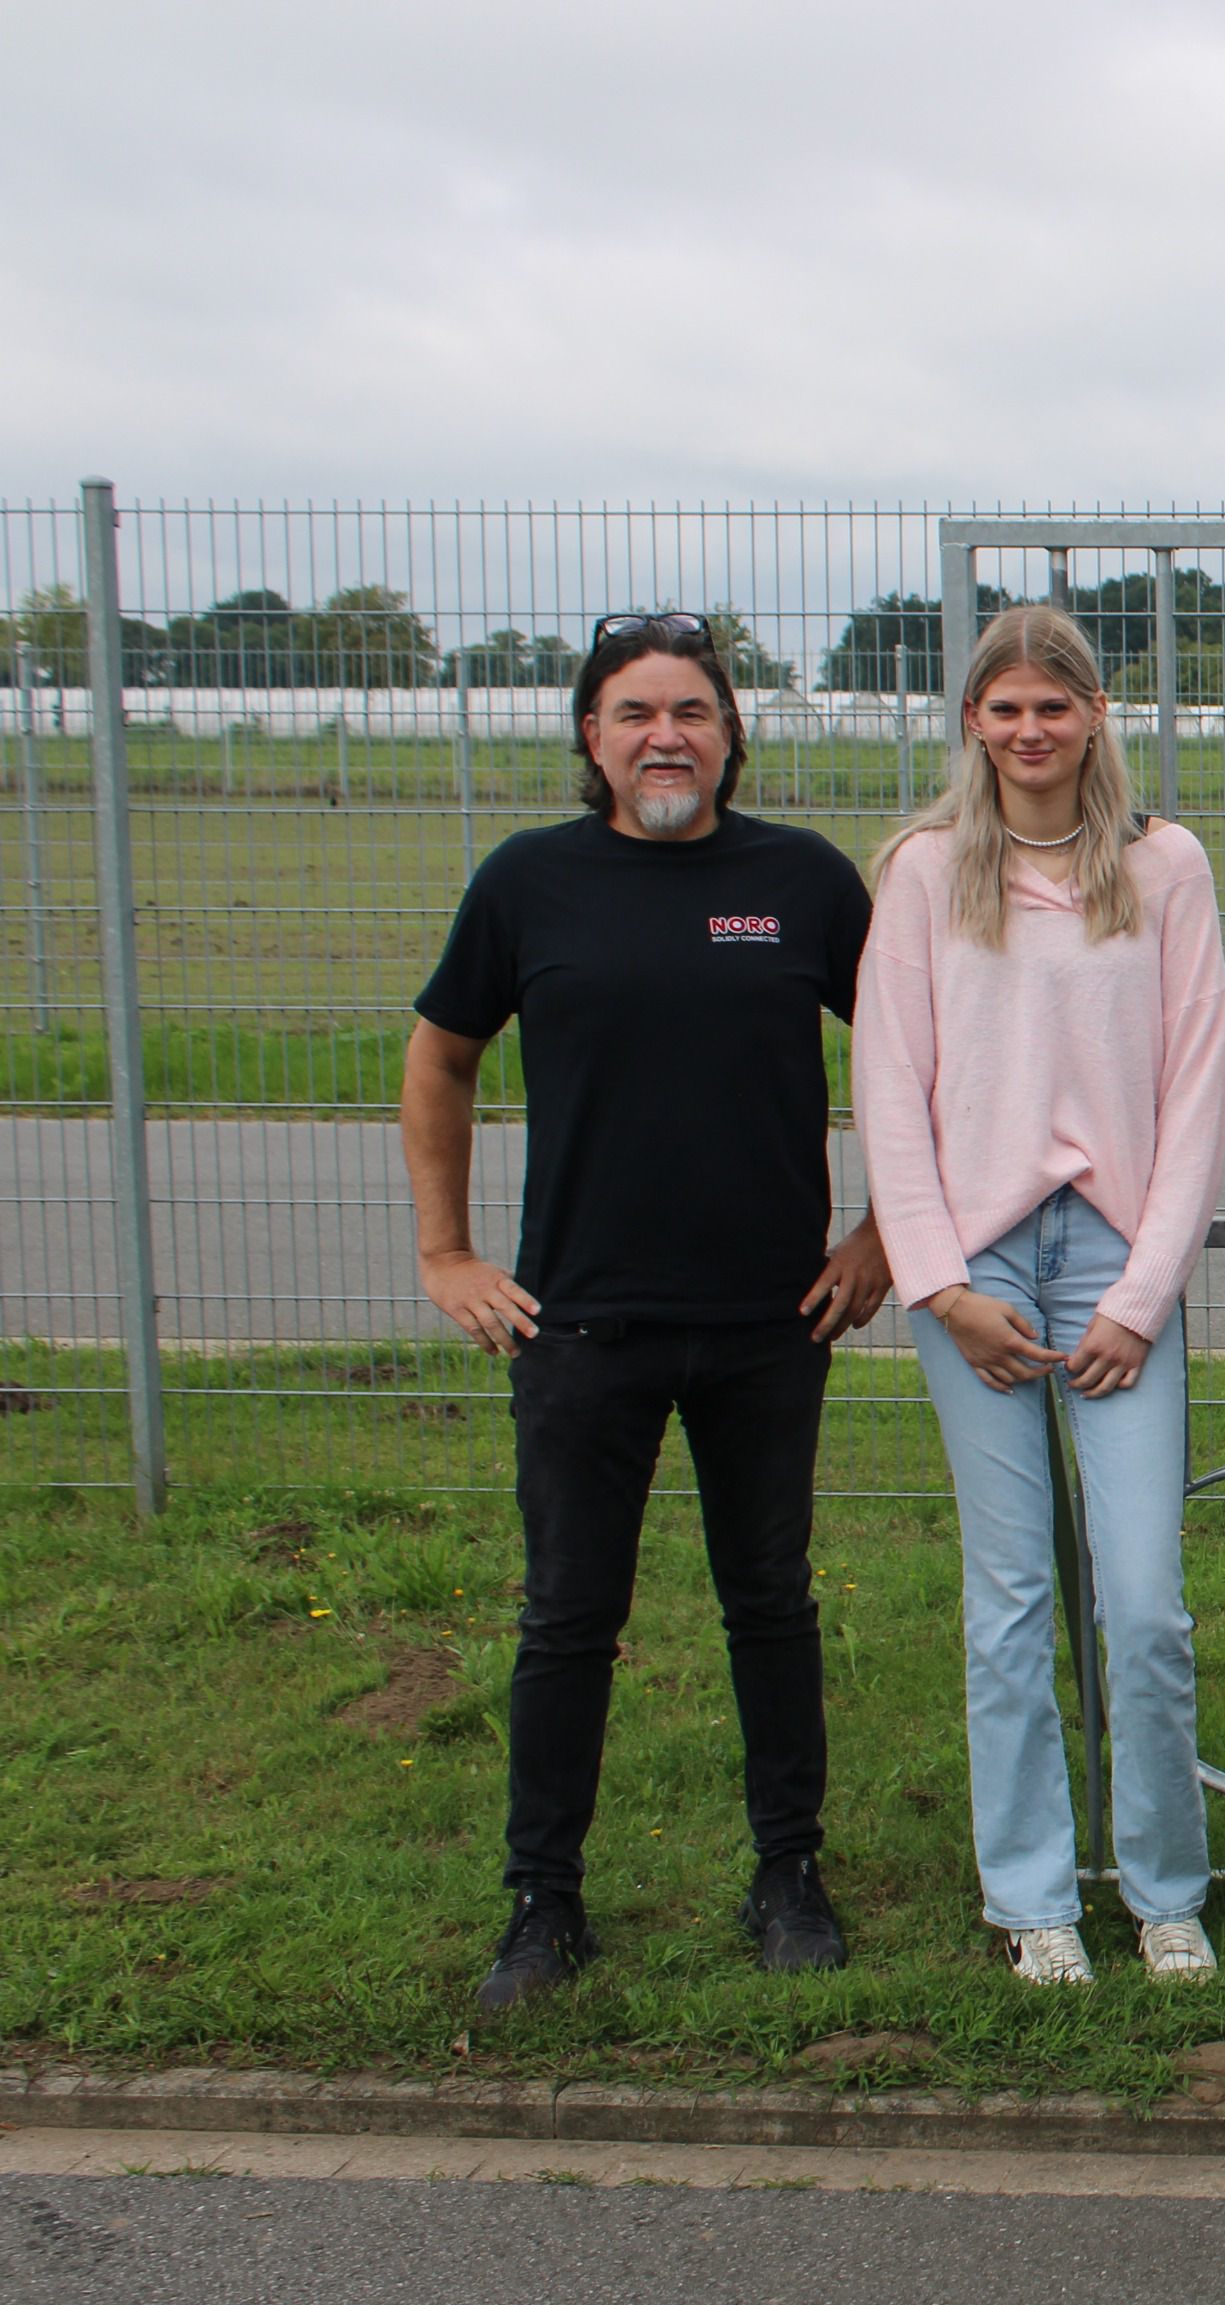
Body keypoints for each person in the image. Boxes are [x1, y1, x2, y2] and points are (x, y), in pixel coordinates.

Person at [403, 612, 890, 2010]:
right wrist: (447, 1253)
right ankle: (542, 1904)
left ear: (732, 735)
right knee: (567, 1617)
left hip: (769, 1324)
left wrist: (883, 1233)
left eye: (690, 711)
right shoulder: (528, 883)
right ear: (591, 737)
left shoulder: (803, 881)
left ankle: (787, 1874)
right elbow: (440, 1060)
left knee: (769, 1603)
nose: (663, 736)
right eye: (634, 713)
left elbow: (915, 1060)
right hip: (577, 1327)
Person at [853, 605, 1225, 1987]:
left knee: (1144, 1601)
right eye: (1005, 709)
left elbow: (1198, 1090)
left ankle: (1166, 1891)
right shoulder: (923, 872)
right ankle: (1033, 1900)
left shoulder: (1165, 866)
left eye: (1053, 707)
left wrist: (1144, 1294)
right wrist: (940, 1284)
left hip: (1117, 1265)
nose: (1030, 731)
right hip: (980, 1272)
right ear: (974, 721)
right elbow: (889, 1087)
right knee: (1011, 1597)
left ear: (1094, 716)